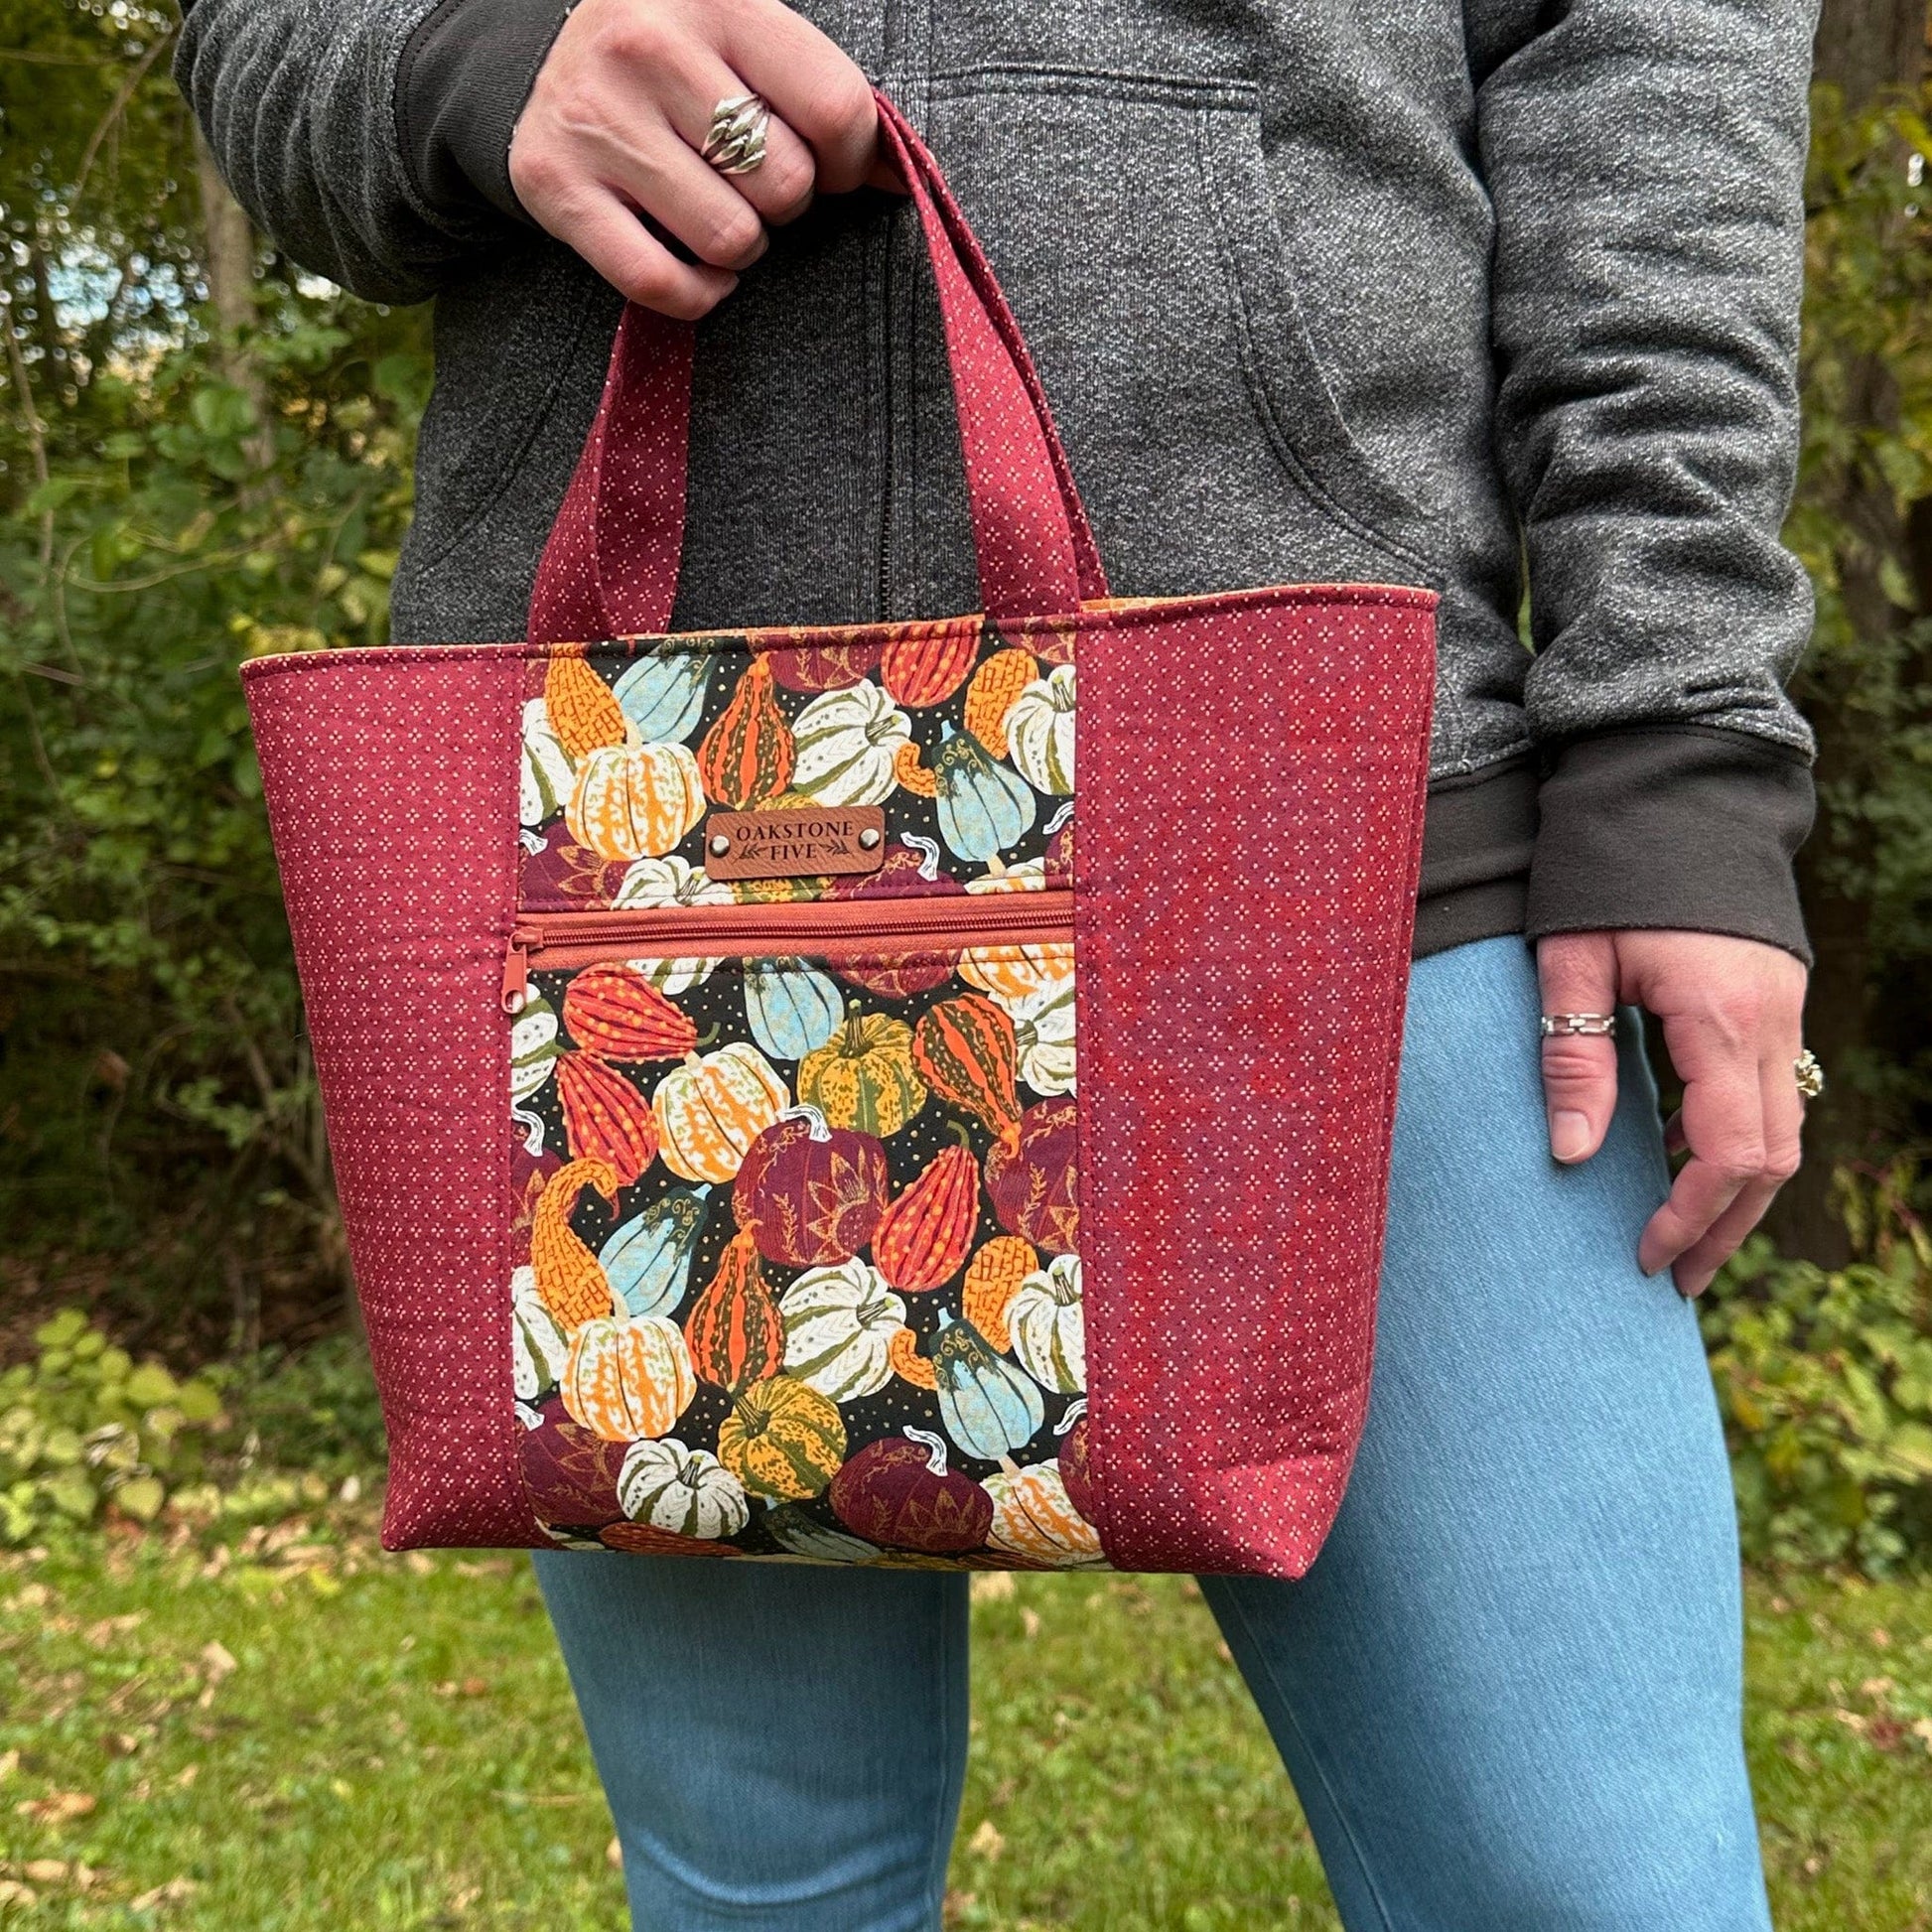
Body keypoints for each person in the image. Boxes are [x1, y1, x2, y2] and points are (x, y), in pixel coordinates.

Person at [178, 1, 1821, 1924]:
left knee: (1595, 1884)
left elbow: (1645, 49)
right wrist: (472, 57)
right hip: (631, 858)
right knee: (761, 1893)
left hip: (1339, 806)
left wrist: (1676, 738)